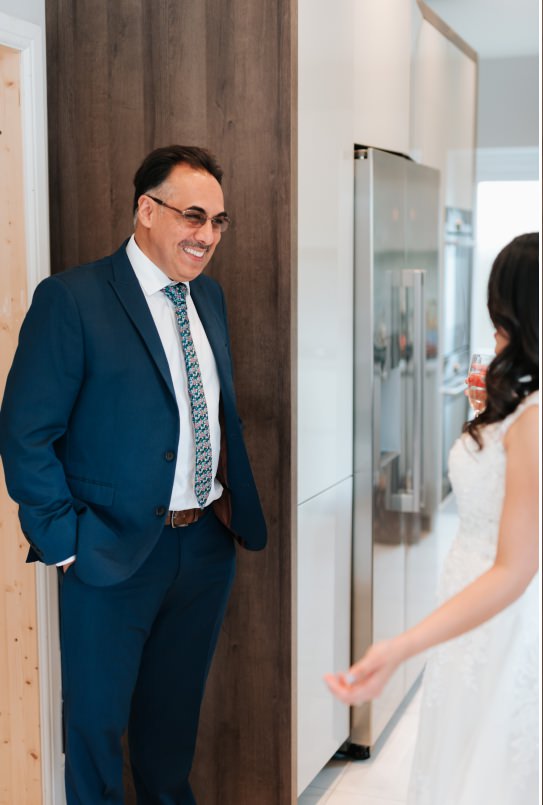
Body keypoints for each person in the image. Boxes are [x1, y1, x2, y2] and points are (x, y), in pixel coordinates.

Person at [0, 145, 267, 804]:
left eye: (218, 221)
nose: (207, 235)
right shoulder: (73, 299)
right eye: (193, 216)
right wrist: (65, 543)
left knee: (170, 735)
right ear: (147, 210)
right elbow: (25, 431)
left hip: (203, 545)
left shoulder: (208, 297)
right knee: (95, 732)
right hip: (108, 552)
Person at [325, 232, 540, 805]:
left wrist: (397, 648)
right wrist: (491, 412)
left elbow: (514, 568)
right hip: (468, 601)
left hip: (499, 613)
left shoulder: (538, 422)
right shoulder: (521, 397)